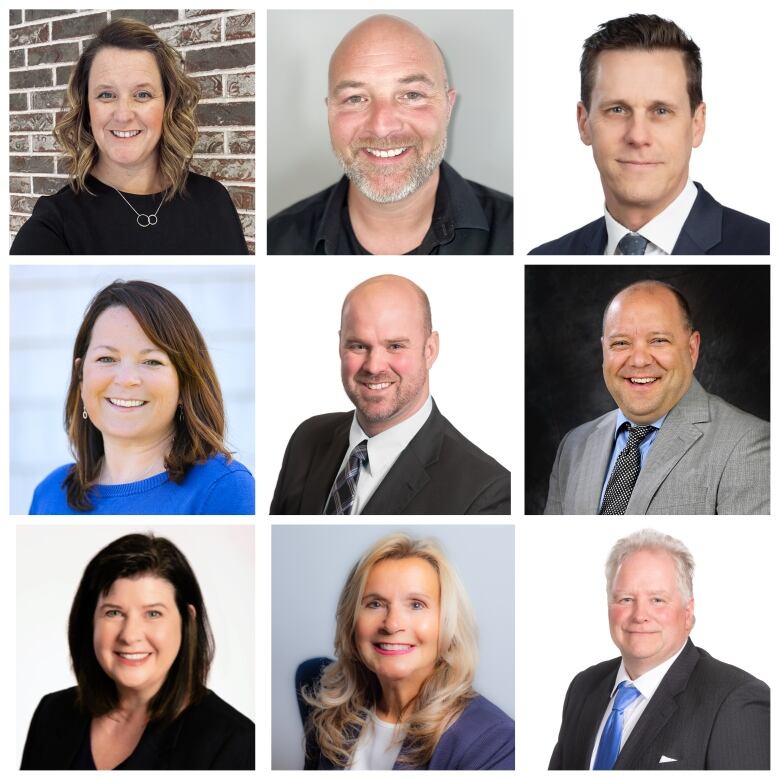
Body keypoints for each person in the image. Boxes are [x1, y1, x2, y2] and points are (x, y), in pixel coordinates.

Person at [268, 14, 512, 255]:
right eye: (355, 98)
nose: (382, 126)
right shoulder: (275, 242)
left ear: (447, 107)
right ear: (330, 112)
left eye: (411, 95)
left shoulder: (514, 232)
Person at [530, 14, 769, 255]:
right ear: (583, 122)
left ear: (697, 124)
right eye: (617, 110)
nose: (638, 136)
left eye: (661, 111)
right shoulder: (545, 257)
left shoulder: (765, 247)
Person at [270, 275, 510, 514]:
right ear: (340, 345)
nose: (374, 367)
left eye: (395, 346)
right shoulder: (307, 439)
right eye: (358, 346)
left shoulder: (486, 492)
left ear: (430, 350)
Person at [10, 18, 248, 255]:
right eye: (106, 94)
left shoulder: (213, 200)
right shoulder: (52, 230)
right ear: (87, 108)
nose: (123, 115)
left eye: (142, 94)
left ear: (168, 104)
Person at [21, 533, 255, 769]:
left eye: (153, 614)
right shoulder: (52, 712)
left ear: (188, 622)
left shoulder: (234, 741)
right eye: (113, 612)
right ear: (89, 619)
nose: (130, 635)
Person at [550, 529, 769, 770]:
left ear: (687, 612)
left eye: (657, 600)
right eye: (625, 599)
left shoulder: (734, 700)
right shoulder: (583, 688)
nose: (639, 615)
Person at [29, 280, 255, 514]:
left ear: (184, 382)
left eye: (151, 361)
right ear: (80, 375)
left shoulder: (223, 489)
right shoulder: (50, 494)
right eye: (106, 358)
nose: (126, 379)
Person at [544, 280, 768, 514]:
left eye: (658, 341)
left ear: (692, 349)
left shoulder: (748, 446)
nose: (639, 360)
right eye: (621, 343)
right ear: (604, 351)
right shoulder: (573, 446)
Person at [297, 533, 514, 770]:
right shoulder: (325, 708)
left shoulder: (495, 742)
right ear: (352, 620)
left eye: (416, 605)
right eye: (375, 604)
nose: (391, 624)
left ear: (447, 622)